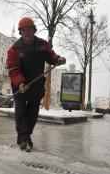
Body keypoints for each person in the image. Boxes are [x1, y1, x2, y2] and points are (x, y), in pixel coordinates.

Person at [6, 17, 66, 152]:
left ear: (34, 30)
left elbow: (51, 56)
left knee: (32, 113)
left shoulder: (42, 44)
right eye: (23, 30)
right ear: (20, 33)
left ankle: (25, 136)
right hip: (20, 85)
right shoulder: (14, 50)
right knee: (21, 111)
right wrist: (20, 82)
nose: (27, 32)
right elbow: (13, 69)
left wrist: (58, 59)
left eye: (29, 29)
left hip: (36, 84)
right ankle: (24, 138)